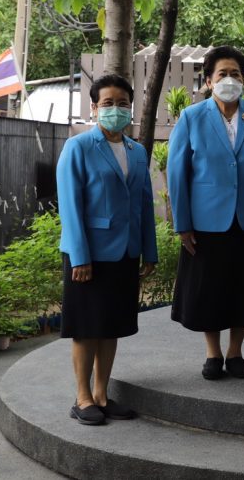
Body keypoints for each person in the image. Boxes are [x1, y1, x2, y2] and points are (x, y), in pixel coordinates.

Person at [167, 45, 244, 380]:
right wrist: (182, 224)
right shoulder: (192, 117)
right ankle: (213, 353)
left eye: (236, 74)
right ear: (208, 81)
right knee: (209, 290)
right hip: (206, 222)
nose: (229, 80)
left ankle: (235, 353)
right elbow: (177, 174)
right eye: (222, 74)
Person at [56, 73, 157, 426]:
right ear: (94, 107)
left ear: (131, 108)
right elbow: (70, 207)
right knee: (87, 328)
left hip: (125, 253)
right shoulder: (78, 147)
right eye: (108, 103)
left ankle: (101, 394)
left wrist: (149, 250)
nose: (116, 109)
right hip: (88, 255)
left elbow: (144, 204)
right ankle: (82, 397)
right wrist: (79, 257)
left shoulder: (137, 151)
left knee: (111, 326)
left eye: (122, 103)